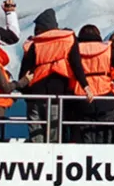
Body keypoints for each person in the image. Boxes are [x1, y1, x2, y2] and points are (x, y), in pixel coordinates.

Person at [17, 8, 84, 142]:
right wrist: (85, 86)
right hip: (57, 97)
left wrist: (26, 93)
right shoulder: (67, 41)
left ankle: (38, 161)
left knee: (36, 138)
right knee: (54, 139)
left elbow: (23, 73)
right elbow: (77, 66)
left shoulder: (34, 45)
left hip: (35, 96)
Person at [74, 25, 114, 144]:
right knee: (104, 138)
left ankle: (87, 161)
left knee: (86, 138)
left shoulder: (75, 50)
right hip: (105, 98)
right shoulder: (106, 49)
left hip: (83, 98)